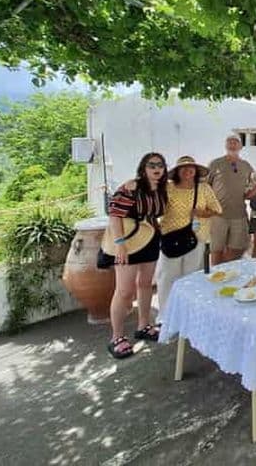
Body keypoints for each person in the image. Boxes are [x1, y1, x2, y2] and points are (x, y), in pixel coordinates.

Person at [103, 152, 168, 359]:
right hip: (128, 242)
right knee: (124, 291)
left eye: (160, 165)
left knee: (146, 283)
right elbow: (114, 215)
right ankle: (116, 337)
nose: (157, 169)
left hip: (149, 239)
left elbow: (155, 214)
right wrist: (120, 244)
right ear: (144, 167)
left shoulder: (160, 189)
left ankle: (144, 325)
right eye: (152, 165)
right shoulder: (131, 187)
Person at [156, 156, 222, 323]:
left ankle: (189, 315)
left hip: (196, 237)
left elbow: (217, 209)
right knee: (167, 277)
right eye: (183, 168)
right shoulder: (168, 188)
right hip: (170, 237)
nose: (188, 170)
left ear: (196, 171)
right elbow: (156, 208)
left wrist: (202, 213)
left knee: (192, 277)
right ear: (177, 171)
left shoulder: (204, 188)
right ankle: (165, 316)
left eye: (191, 167)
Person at [207, 135, 254, 265]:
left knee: (239, 248)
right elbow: (206, 187)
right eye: (229, 142)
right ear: (225, 145)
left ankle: (224, 270)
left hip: (239, 215)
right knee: (216, 249)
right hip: (217, 215)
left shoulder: (246, 166)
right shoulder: (215, 164)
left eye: (235, 142)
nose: (232, 144)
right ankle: (217, 279)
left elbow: (253, 186)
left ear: (241, 146)